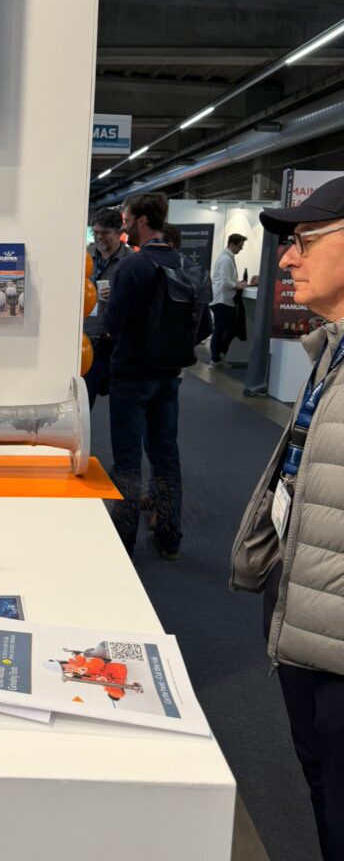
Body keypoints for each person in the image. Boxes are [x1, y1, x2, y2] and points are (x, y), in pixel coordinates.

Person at [231, 174, 344, 861]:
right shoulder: (330, 350)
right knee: (322, 790)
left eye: (305, 240)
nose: (287, 258)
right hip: (304, 614)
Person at [104, 192, 209, 561]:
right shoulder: (189, 266)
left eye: (127, 219)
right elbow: (205, 326)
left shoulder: (131, 268)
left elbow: (113, 324)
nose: (124, 226)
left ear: (143, 220)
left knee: (128, 461)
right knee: (166, 457)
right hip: (170, 376)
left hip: (131, 375)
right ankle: (169, 538)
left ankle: (124, 541)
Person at [83, 207, 132, 407]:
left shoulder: (130, 261)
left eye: (105, 233)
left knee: (123, 406)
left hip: (117, 343)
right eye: (96, 232)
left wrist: (121, 294)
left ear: (119, 232)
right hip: (88, 339)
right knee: (84, 402)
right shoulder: (85, 255)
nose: (99, 237)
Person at [209, 233, 247, 367]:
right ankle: (217, 356)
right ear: (232, 245)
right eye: (240, 246)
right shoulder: (226, 259)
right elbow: (225, 282)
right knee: (228, 330)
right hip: (222, 300)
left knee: (220, 329)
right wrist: (238, 285)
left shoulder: (226, 258)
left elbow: (225, 279)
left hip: (221, 299)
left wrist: (236, 283)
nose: (241, 248)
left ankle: (216, 358)